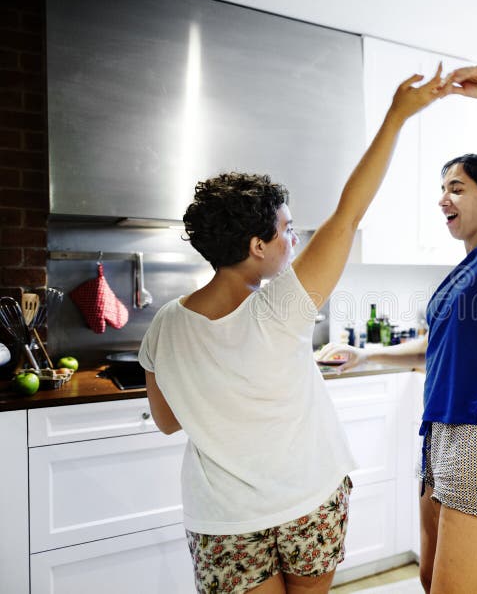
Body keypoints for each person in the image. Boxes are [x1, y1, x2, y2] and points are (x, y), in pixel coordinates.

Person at [138, 65, 448, 594]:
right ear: (257, 245)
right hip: (309, 501)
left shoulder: (164, 326)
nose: (294, 239)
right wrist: (397, 116)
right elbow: (348, 216)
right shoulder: (279, 309)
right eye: (286, 230)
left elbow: (168, 421)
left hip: (224, 522)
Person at [318, 66, 477, 594]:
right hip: (439, 434)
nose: (443, 199)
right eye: (442, 189)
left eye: (457, 188)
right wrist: (365, 358)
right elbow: (435, 348)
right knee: (431, 581)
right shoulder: (462, 271)